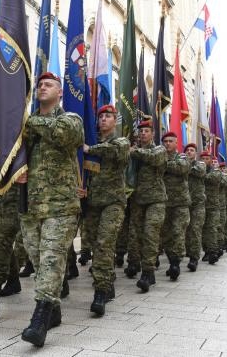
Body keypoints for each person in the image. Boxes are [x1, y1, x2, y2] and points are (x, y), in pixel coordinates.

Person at [16, 72, 84, 346]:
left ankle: (40, 319)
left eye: (48, 85)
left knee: (51, 260)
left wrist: (26, 121)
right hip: (30, 206)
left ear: (60, 93)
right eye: (40, 85)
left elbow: (63, 135)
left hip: (61, 206)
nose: (42, 87)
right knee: (37, 261)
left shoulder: (70, 119)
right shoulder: (25, 128)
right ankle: (53, 309)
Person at [83, 104, 129, 316]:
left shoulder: (120, 141)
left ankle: (100, 291)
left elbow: (115, 152)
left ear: (115, 120)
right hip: (92, 203)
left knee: (104, 243)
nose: (103, 119)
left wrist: (89, 149)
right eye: (100, 116)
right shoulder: (91, 141)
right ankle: (107, 280)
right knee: (95, 244)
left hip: (113, 202)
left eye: (108, 116)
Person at [126, 120, 167, 292]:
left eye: (146, 131)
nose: (143, 133)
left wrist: (134, 152)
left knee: (150, 234)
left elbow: (154, 159)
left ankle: (148, 272)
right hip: (137, 199)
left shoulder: (159, 149)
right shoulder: (132, 151)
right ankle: (136, 264)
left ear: (152, 134)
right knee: (137, 236)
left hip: (155, 199)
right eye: (141, 131)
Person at [160, 132, 191, 281]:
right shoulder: (159, 156)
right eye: (165, 141)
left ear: (176, 143)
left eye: (170, 141)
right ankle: (172, 259)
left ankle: (175, 263)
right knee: (166, 235)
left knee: (178, 233)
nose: (167, 144)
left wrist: (163, 164)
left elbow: (182, 168)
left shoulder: (182, 157)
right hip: (164, 202)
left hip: (180, 203)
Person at [184, 143, 207, 272]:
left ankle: (194, 258)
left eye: (192, 150)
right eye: (187, 150)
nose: (189, 152)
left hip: (197, 203)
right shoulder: (181, 163)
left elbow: (199, 172)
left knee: (195, 229)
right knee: (185, 231)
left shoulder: (200, 164)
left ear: (196, 153)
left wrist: (185, 165)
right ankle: (186, 252)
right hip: (184, 202)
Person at [201, 154, 221, 264]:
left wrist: (201, 173)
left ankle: (213, 251)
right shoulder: (198, 170)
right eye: (202, 159)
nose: (204, 161)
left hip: (213, 205)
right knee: (203, 229)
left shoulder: (216, 171)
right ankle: (207, 251)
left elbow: (214, 178)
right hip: (201, 204)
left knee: (212, 228)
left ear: (210, 161)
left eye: (207, 159)